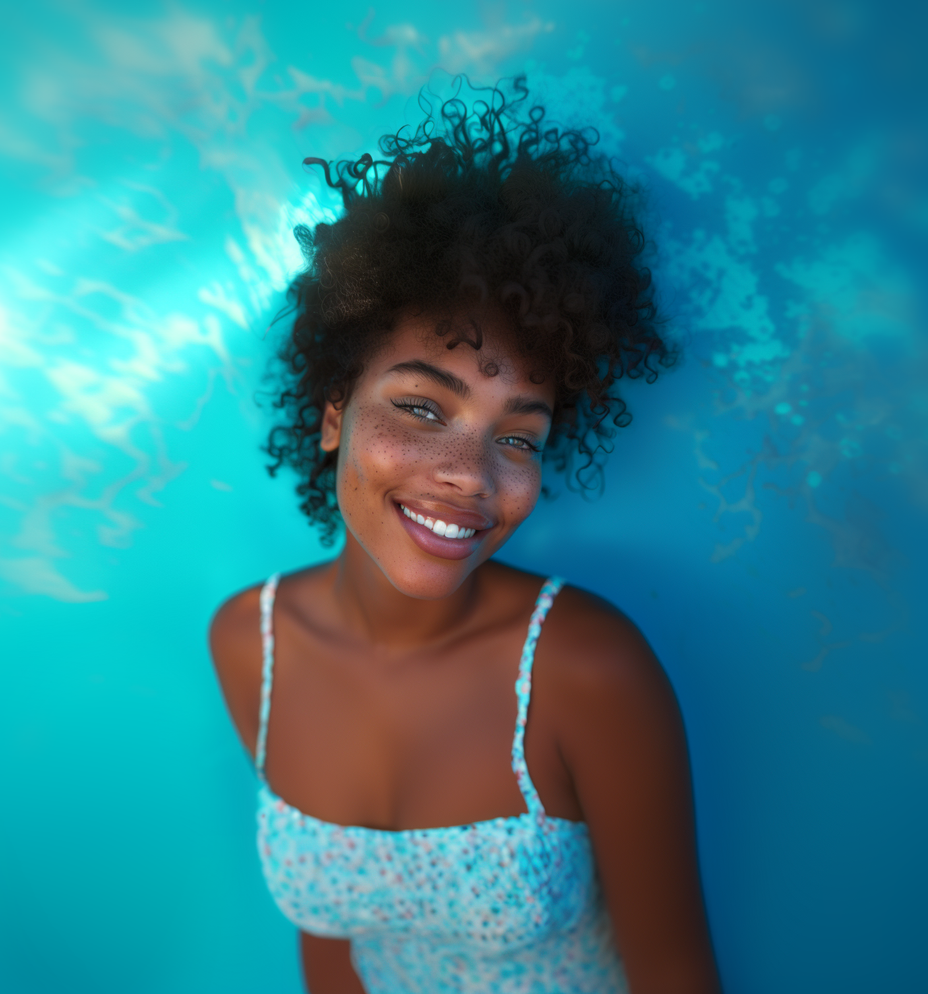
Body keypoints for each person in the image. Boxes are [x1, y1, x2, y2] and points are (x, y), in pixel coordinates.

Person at [209, 78, 721, 994]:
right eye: (420, 406)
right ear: (332, 413)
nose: (471, 477)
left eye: (516, 436)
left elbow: (676, 974)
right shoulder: (251, 644)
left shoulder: (588, 669)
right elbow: (332, 947)